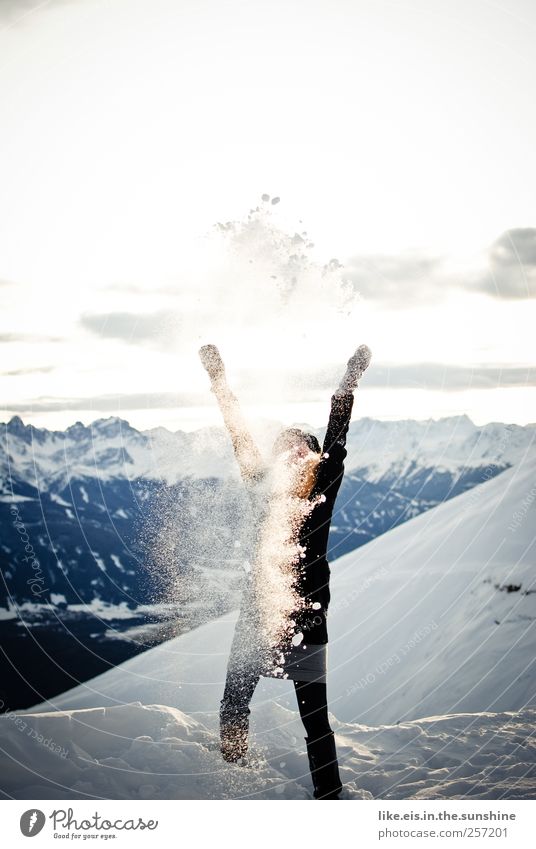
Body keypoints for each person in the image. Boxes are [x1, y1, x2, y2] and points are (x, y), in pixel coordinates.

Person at [199, 342, 372, 799]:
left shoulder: (323, 489)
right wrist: (219, 380)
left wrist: (348, 381)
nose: (294, 451)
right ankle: (228, 770)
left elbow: (338, 435)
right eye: (285, 446)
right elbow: (237, 432)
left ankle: (330, 795)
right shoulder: (261, 486)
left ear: (316, 459)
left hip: (308, 620)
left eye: (304, 447)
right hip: (257, 615)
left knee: (315, 719)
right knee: (234, 701)